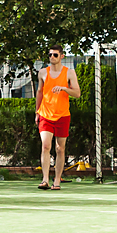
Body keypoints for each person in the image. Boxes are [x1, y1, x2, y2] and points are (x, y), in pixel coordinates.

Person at [35, 45, 80, 190]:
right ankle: (45, 179)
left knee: (60, 148)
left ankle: (57, 180)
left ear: (61, 56)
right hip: (45, 114)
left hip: (62, 115)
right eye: (50, 55)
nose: (52, 57)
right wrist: (37, 112)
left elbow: (77, 93)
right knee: (46, 145)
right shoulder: (43, 72)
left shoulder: (69, 73)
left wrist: (65, 89)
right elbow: (39, 92)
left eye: (55, 55)